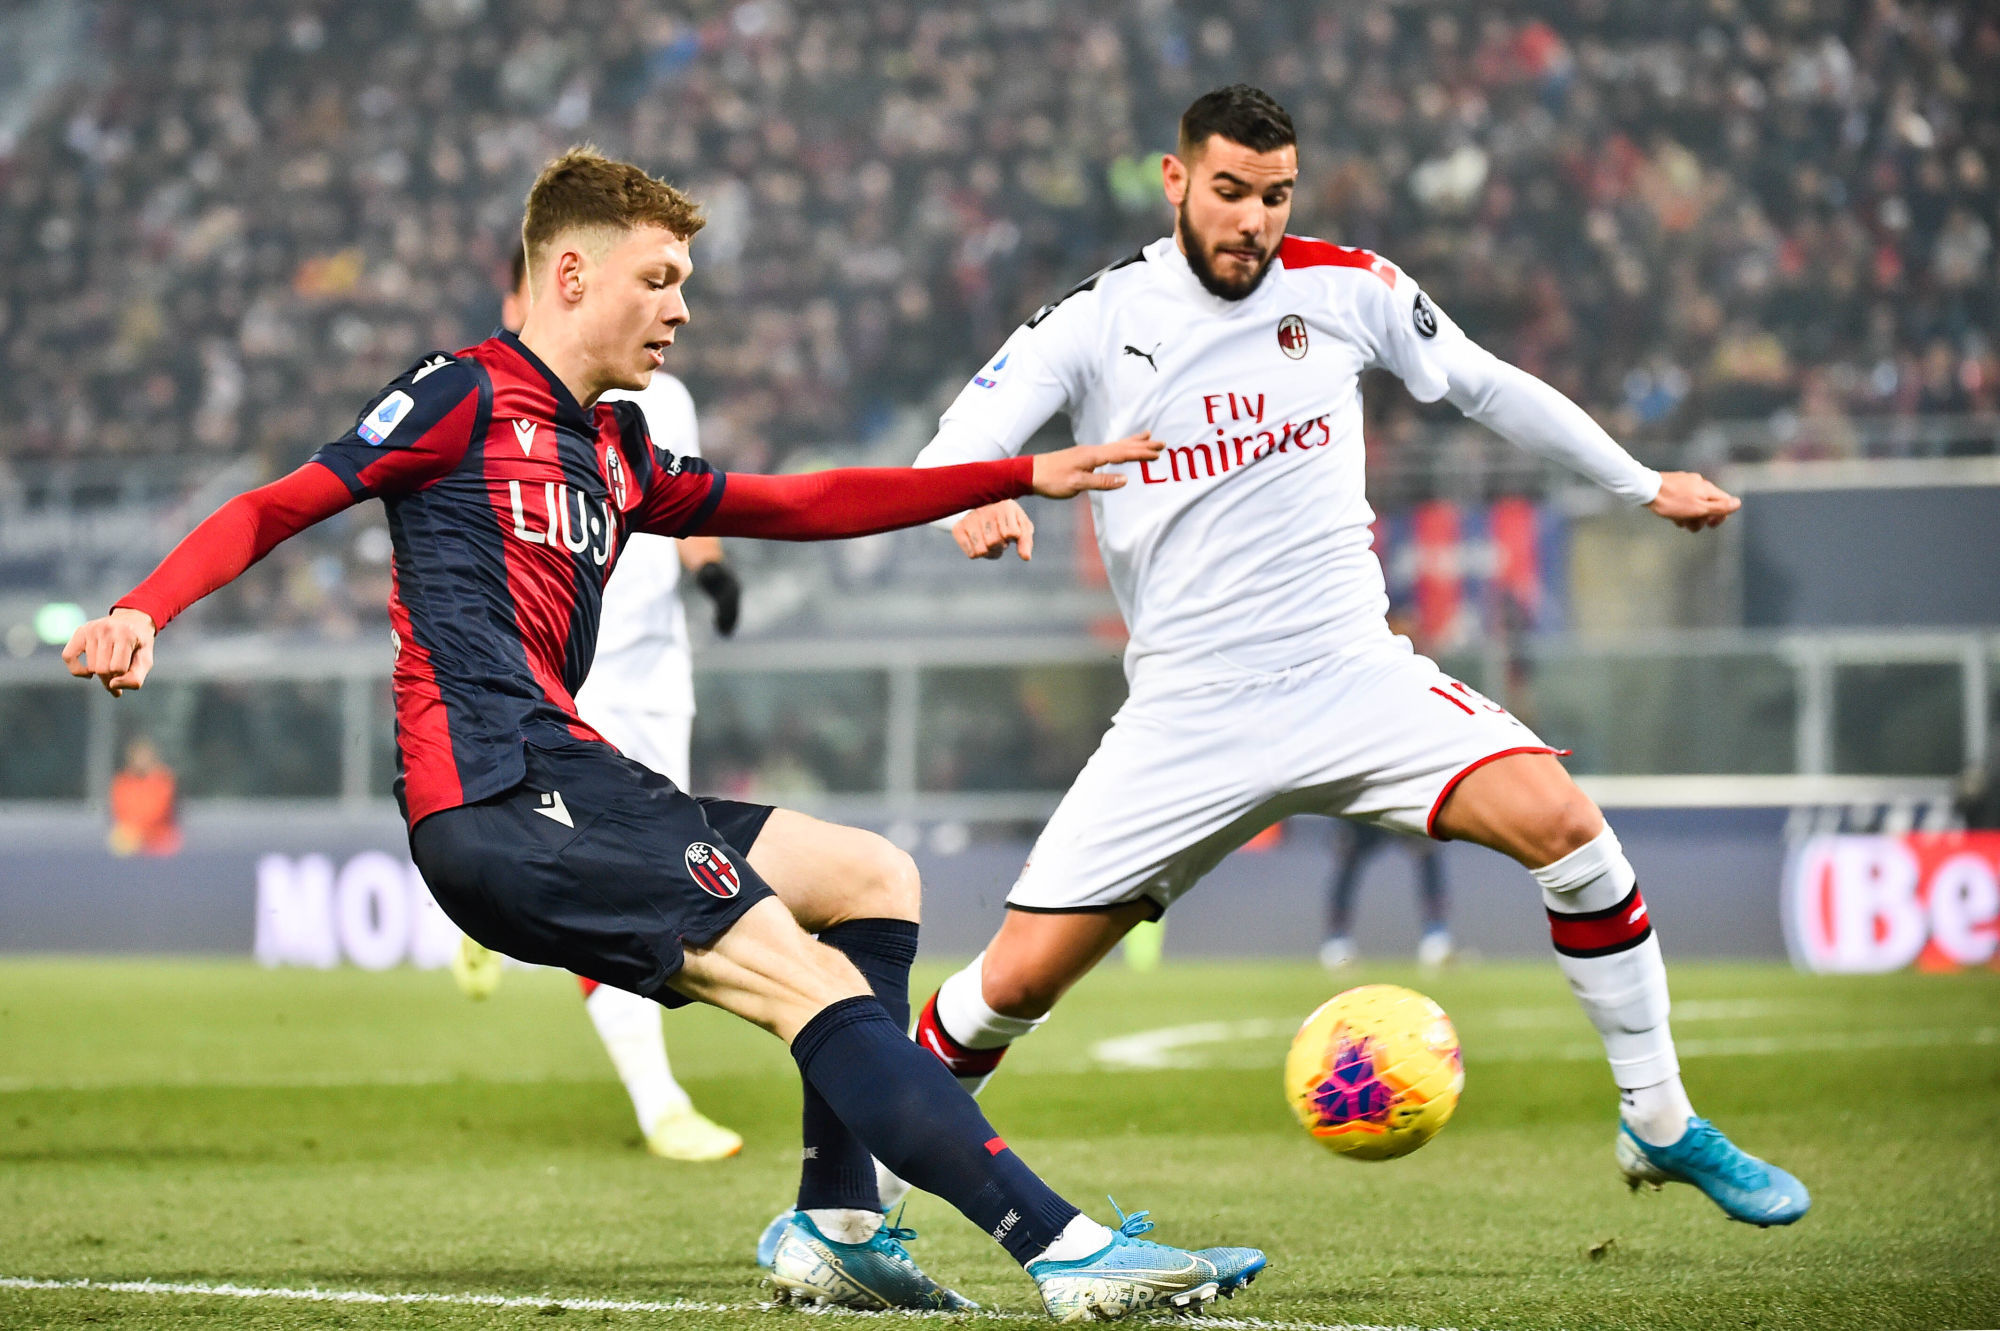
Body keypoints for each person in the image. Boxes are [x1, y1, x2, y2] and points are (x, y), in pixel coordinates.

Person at [63, 146, 1264, 1320]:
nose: (682, 308)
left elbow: (794, 502)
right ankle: (1059, 1246)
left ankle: (837, 1227)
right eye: (660, 280)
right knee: (802, 979)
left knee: (868, 880)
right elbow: (285, 499)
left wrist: (1009, 472)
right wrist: (140, 607)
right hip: (498, 788)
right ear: (572, 275)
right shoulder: (461, 393)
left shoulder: (618, 450)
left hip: (572, 777)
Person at [884, 85, 1807, 1230]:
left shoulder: (1348, 287)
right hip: (1190, 710)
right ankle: (854, 1196)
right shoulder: (1094, 318)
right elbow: (954, 446)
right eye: (1228, 192)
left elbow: (1481, 383)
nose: (1252, 221)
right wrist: (979, 497)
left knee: (1567, 827)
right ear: (1175, 183)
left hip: (1350, 674)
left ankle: (1658, 1120)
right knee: (1010, 983)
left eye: (1274, 196)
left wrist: (1637, 482)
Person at [448, 245, 746, 1165]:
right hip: (566, 678)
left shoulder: (663, 396)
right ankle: (659, 1102)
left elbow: (685, 502)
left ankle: (478, 907)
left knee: (669, 874)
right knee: (615, 879)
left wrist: (715, 569)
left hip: (658, 669)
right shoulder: (482, 406)